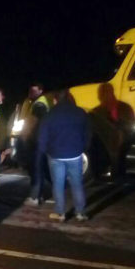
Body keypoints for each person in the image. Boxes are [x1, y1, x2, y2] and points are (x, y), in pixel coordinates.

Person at [37, 89, 90, 222]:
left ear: (55, 100)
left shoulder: (49, 115)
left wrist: (44, 150)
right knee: (77, 183)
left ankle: (60, 213)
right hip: (75, 154)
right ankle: (80, 213)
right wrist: (83, 147)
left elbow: (43, 137)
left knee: (58, 184)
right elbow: (88, 133)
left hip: (56, 155)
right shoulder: (80, 112)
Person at [23, 83, 51, 205]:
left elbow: (33, 122)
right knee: (40, 168)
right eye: (30, 90)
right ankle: (39, 195)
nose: (31, 93)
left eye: (34, 90)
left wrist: (26, 135)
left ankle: (34, 197)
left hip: (37, 141)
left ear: (40, 91)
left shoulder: (39, 104)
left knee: (36, 169)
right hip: (41, 140)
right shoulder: (40, 102)